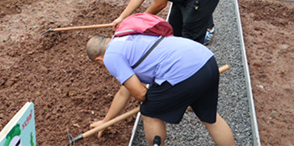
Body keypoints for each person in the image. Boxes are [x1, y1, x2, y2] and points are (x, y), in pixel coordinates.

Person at [85, 34, 235, 146]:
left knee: (149, 112)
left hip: (182, 72)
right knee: (210, 118)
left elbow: (140, 93)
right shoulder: (124, 38)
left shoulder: (110, 57)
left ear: (99, 60)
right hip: (204, 59)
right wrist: (106, 121)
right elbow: (124, 92)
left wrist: (158, 104)